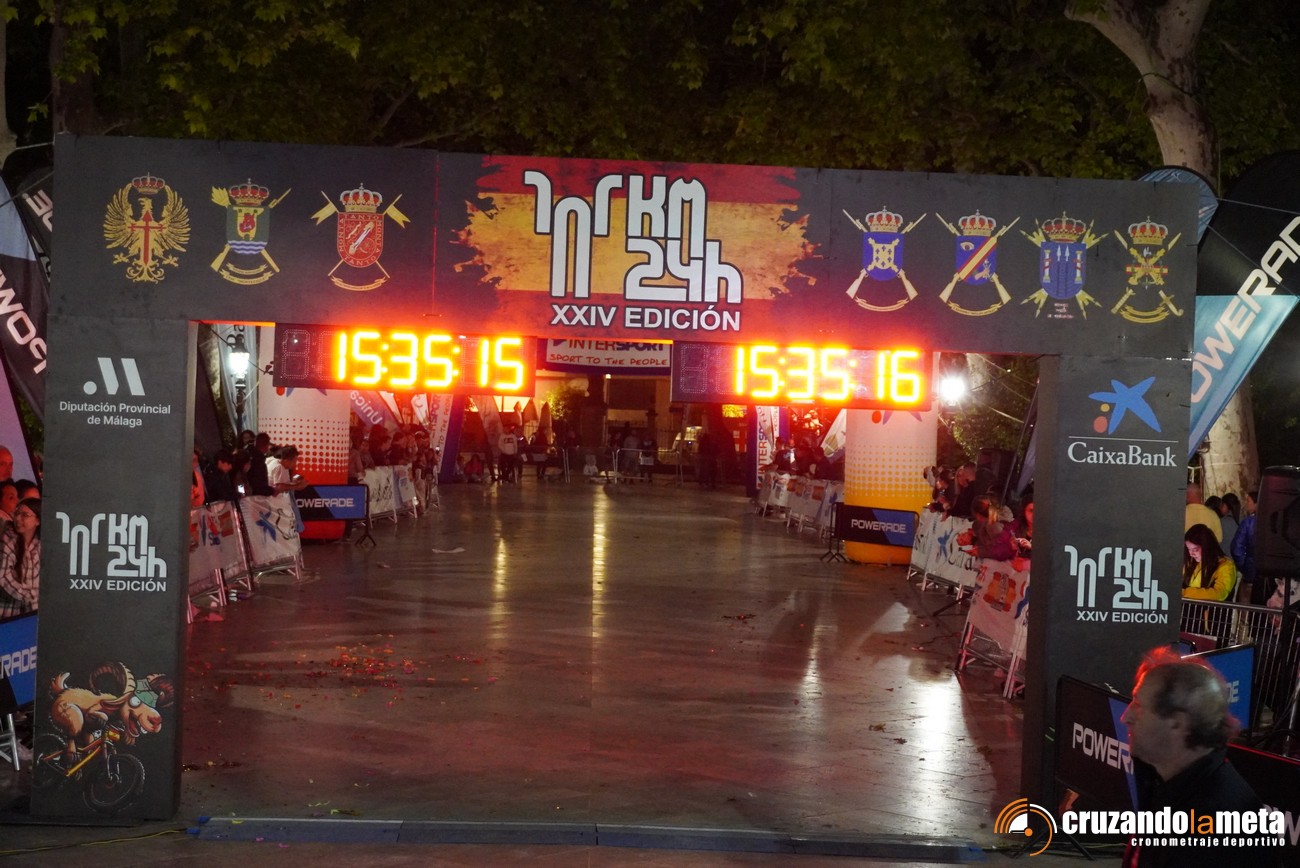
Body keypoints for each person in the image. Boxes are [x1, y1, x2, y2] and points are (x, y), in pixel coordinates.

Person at [1120, 648, 1282, 867]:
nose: (1125, 717)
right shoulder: (1166, 782)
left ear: (1178, 724)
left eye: (1138, 706)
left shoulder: (1213, 828)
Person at [0, 497, 41, 618]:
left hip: (32, 614)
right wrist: (29, 596)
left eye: (24, 515)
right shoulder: (7, 540)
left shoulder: (40, 545)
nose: (18, 518)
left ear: (38, 520)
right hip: (7, 614)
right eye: (17, 513)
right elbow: (3, 577)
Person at [1181, 523, 1237, 602]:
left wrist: (1185, 593)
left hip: (1212, 609)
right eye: (1188, 549)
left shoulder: (1226, 566)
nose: (1191, 554)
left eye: (1195, 549)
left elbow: (1219, 594)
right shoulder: (1193, 562)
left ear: (1206, 547)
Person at [1230, 489, 1258, 603]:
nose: (1246, 504)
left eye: (1248, 501)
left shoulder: (1248, 522)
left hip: (1250, 574)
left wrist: (1244, 566)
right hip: (1268, 576)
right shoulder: (1273, 521)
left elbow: (1236, 548)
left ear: (1256, 503)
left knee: (1245, 604)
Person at [246, 432, 274, 496]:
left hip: (248, 493)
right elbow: (259, 482)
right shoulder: (258, 460)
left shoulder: (248, 453)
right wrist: (270, 491)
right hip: (254, 495)